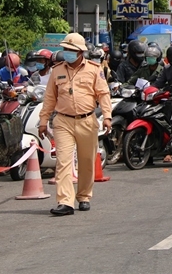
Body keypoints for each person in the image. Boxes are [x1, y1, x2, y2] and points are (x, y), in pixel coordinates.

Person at [38, 33, 113, 215]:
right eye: (66, 49)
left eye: (71, 50)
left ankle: (84, 196)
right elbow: (49, 98)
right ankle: (65, 202)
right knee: (63, 162)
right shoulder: (57, 70)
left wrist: (107, 116)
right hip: (63, 120)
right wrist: (43, 120)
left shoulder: (94, 70)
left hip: (87, 120)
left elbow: (103, 94)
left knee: (87, 161)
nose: (68, 53)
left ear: (80, 52)